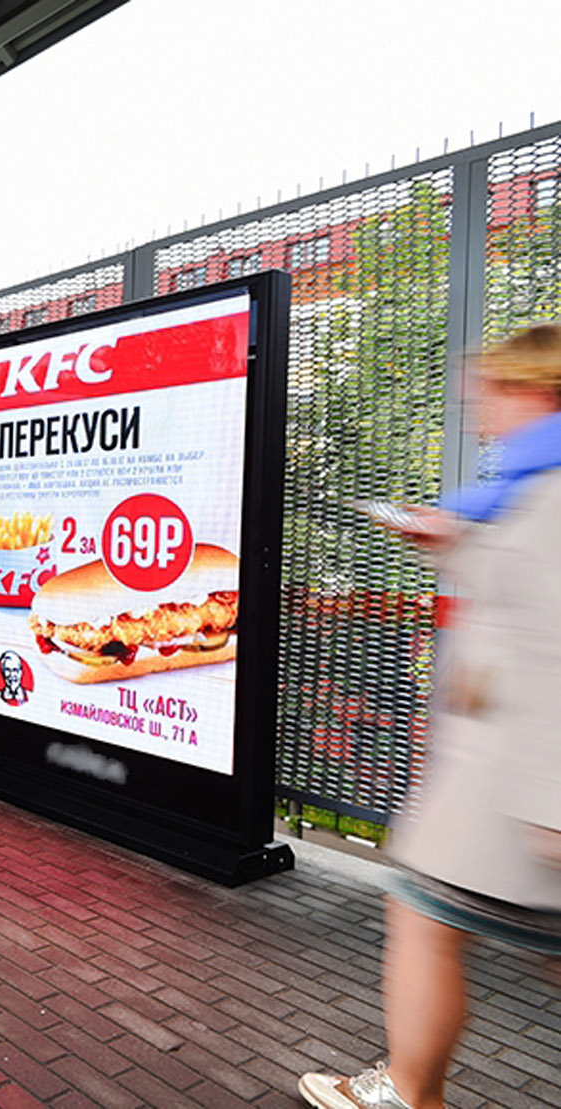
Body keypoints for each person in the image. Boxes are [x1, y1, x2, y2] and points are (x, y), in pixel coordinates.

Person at [299, 324, 561, 1109]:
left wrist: (550, 804)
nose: (482, 414)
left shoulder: (547, 492)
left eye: (495, 393)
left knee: (423, 912)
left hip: (522, 788)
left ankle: (409, 1092)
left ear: (540, 391)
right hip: (509, 780)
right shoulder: (528, 485)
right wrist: (450, 540)